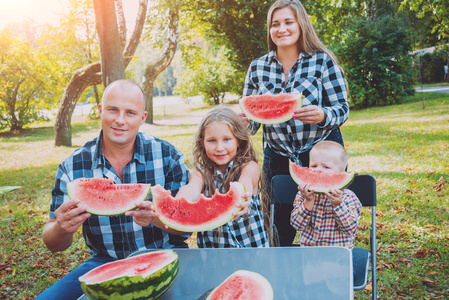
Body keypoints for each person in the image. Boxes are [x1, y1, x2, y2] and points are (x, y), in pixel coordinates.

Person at [37, 79, 190, 300]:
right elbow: (52, 243)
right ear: (100, 111)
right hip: (104, 260)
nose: (120, 120)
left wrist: (157, 218)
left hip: (164, 255)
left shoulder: (167, 156)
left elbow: (186, 229)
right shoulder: (72, 166)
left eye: (130, 113)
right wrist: (62, 227)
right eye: (112, 110)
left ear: (142, 118)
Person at [242, 0, 349, 184]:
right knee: (277, 213)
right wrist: (241, 122)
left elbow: (342, 109)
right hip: (276, 157)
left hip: (321, 157)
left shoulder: (322, 61)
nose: (281, 29)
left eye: (288, 22)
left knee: (323, 212)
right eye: (275, 24)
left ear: (301, 25)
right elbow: (251, 125)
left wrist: (323, 115)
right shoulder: (257, 67)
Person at [176, 105, 270, 248]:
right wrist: (177, 204)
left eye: (227, 139)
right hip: (214, 257)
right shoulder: (200, 173)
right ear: (202, 142)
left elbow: (246, 181)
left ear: (238, 140)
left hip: (253, 252)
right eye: (212, 141)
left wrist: (243, 194)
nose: (220, 148)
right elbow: (191, 189)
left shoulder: (249, 166)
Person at [290, 141, 361, 277]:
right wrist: (308, 202)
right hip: (309, 259)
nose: (318, 171)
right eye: (314, 166)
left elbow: (350, 228)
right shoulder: (303, 195)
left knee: (338, 286)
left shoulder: (348, 198)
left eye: (326, 167)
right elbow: (297, 225)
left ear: (341, 173)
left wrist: (338, 205)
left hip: (339, 260)